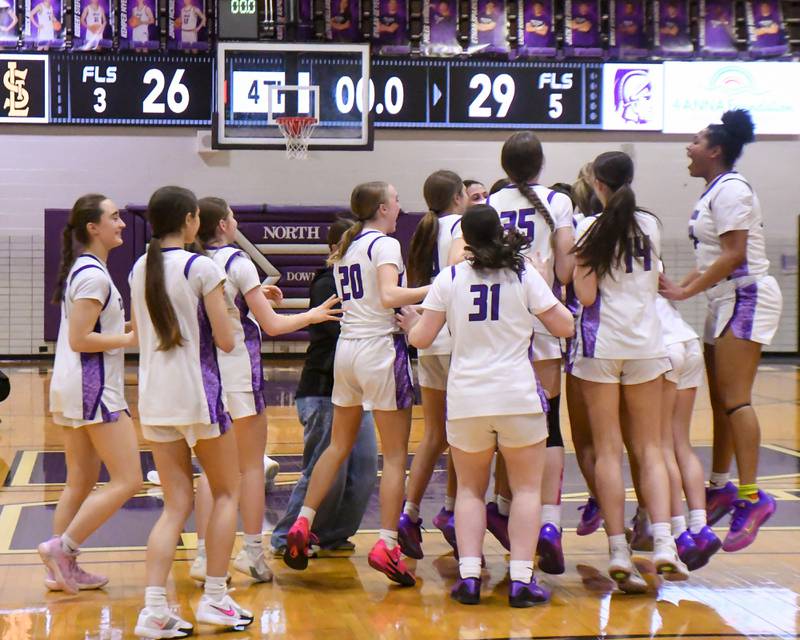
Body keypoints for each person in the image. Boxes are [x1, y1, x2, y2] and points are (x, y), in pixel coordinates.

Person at [399, 204, 574, 607]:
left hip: (467, 400)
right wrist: (545, 283)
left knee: (469, 492)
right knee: (527, 490)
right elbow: (564, 326)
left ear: (465, 240)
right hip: (517, 397)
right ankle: (521, 581)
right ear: (499, 232)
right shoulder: (523, 272)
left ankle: (470, 578)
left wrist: (411, 326)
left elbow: (421, 339)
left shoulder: (450, 278)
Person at [282, 181, 429, 586]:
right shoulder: (385, 244)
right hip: (379, 349)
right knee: (395, 456)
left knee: (337, 446)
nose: (400, 206)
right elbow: (389, 296)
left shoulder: (348, 246)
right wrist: (440, 286)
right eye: (396, 200)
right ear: (382, 208)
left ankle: (303, 522)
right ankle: (387, 544)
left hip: (346, 351)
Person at [190, 197, 342, 585]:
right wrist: (312, 314)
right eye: (232, 216)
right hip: (239, 373)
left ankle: (203, 555)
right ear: (223, 225)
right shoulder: (237, 262)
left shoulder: (191, 263)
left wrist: (252, 298)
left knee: (212, 470)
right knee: (250, 467)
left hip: (203, 374)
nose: (236, 221)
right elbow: (273, 326)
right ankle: (252, 553)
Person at [129, 186, 251, 637]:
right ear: (189, 219)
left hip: (154, 398)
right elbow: (225, 340)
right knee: (226, 493)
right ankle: (215, 596)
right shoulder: (202, 267)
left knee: (175, 505)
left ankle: (153, 609)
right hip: (199, 393)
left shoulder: (140, 267)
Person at [659, 109, 781, 551]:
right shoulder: (714, 190)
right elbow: (713, 259)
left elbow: (734, 254)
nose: (688, 148)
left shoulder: (731, 190)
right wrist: (679, 288)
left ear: (715, 151)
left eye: (695, 141)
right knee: (721, 401)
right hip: (725, 298)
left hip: (747, 296)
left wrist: (685, 291)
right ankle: (720, 485)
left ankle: (753, 496)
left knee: (736, 400)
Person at [571, 151, 687, 593]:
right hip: (646, 345)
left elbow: (585, 297)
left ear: (597, 185)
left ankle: (618, 550)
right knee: (651, 448)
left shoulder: (588, 228)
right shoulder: (651, 224)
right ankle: (664, 543)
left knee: (607, 451)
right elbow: (655, 280)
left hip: (601, 346)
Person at [39, 195, 141, 595]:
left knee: (79, 481)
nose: (122, 223)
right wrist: (130, 339)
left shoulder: (88, 270)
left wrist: (132, 328)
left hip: (76, 385)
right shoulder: (93, 276)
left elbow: (96, 329)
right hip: (92, 387)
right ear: (93, 227)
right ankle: (62, 549)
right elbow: (81, 339)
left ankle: (59, 571)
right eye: (114, 217)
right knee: (128, 479)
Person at [486, 131, 575, 575]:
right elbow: (566, 270)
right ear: (541, 164)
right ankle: (551, 523)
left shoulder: (490, 204)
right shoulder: (559, 202)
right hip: (541, 317)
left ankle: (505, 510)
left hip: (500, 324)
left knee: (508, 426)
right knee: (550, 424)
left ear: (504, 165)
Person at [271, 218, 378, 555]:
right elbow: (341, 331)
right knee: (323, 471)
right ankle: (284, 538)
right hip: (322, 391)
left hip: (355, 392)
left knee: (363, 471)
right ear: (336, 247)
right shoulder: (327, 282)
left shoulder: (365, 281)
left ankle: (331, 535)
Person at [397, 170, 468, 559]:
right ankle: (452, 510)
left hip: (427, 338)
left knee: (434, 434)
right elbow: (457, 271)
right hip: (453, 337)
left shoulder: (423, 231)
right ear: (458, 197)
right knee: (460, 435)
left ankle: (409, 512)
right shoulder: (458, 227)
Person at [655, 293, 722, 570]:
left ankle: (679, 530)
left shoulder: (610, 274)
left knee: (661, 445)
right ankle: (700, 526)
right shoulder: (649, 270)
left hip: (663, 347)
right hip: (688, 341)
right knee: (681, 442)